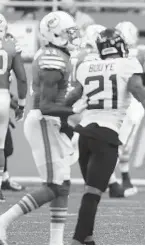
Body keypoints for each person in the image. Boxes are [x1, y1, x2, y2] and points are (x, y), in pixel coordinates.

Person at [67, 28, 145, 244]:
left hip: (85, 134)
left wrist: (51, 113)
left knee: (92, 193)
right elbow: (142, 96)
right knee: (92, 193)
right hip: (105, 135)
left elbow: (71, 98)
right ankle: (78, 239)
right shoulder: (127, 64)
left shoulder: (86, 66)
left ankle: (86, 237)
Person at [0, 11, 86, 245]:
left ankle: (55, 242)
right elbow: (47, 106)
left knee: (63, 185)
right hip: (44, 122)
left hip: (51, 121)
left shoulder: (58, 54)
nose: (72, 36)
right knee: (53, 186)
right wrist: (77, 114)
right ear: (55, 33)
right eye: (68, 32)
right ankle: (3, 222)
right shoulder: (52, 57)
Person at [107, 21, 145, 198]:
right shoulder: (142, 52)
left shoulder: (109, 54)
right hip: (133, 102)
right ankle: (112, 179)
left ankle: (120, 178)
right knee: (122, 143)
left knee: (118, 142)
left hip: (113, 99)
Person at [0, 14, 27, 202]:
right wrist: (22, 104)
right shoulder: (10, 44)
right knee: (0, 146)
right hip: (2, 96)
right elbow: (22, 78)